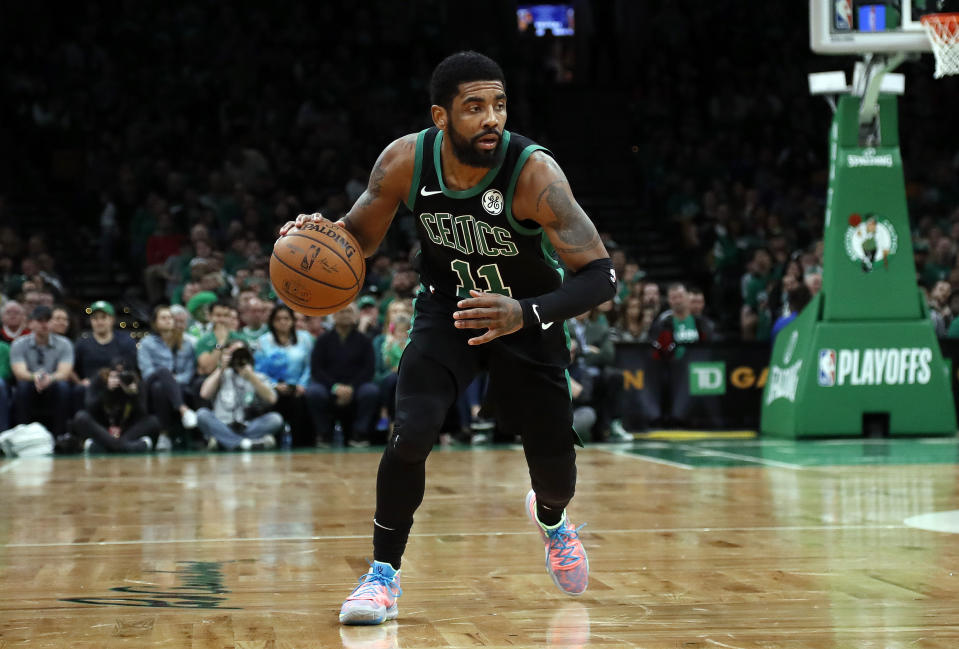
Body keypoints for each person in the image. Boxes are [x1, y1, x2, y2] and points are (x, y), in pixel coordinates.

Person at [279, 51, 615, 625]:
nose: (492, 118)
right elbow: (355, 237)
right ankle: (382, 576)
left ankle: (553, 520)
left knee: (556, 471)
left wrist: (525, 313)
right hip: (449, 314)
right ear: (441, 116)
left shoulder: (535, 174)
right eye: (475, 107)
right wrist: (312, 239)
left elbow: (601, 277)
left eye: (500, 105)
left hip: (527, 320)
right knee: (411, 431)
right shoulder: (406, 161)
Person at [305, 302, 379, 447]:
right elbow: (317, 369)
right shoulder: (323, 340)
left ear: (356, 316)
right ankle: (324, 434)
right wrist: (335, 387)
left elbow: (368, 370)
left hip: (356, 386)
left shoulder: (364, 340)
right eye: (341, 311)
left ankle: (359, 434)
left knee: (371, 391)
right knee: (314, 392)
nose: (345, 315)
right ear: (333, 316)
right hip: (329, 386)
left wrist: (351, 387)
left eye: (349, 311)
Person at [196, 340, 283, 450]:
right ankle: (249, 443)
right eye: (234, 353)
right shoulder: (222, 374)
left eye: (241, 353)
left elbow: (272, 399)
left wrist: (252, 377)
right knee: (201, 414)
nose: (238, 357)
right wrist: (221, 368)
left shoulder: (258, 377)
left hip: (248, 426)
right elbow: (204, 394)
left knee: (275, 419)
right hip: (223, 424)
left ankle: (225, 442)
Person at [137, 305, 198, 449]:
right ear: (155, 322)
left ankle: (165, 435)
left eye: (170, 318)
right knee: (162, 375)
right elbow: (147, 372)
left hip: (177, 385)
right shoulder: (147, 343)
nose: (168, 321)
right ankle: (183, 410)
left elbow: (189, 372)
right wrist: (168, 378)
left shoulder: (186, 343)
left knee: (161, 388)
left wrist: (173, 382)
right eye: (163, 318)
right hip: (151, 383)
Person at [9, 305, 74, 436]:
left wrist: (49, 378)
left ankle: (60, 436)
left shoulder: (65, 343)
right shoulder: (18, 344)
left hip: (53, 384)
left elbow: (64, 372)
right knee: (22, 386)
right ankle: (22, 435)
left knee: (63, 386)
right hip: (30, 383)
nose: (44, 324)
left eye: (48, 320)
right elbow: (20, 373)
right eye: (40, 320)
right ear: (30, 323)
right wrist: (36, 377)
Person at [255, 304, 313, 446]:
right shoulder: (263, 341)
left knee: (300, 403)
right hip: (273, 388)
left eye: (286, 318)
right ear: (272, 322)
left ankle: (301, 445)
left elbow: (309, 366)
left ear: (293, 321)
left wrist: (302, 385)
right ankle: (274, 442)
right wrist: (274, 385)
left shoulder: (305, 339)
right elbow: (259, 369)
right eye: (278, 319)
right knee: (273, 400)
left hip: (298, 388)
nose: (283, 322)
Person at [73, 360, 159, 453]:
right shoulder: (99, 379)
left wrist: (133, 394)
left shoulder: (135, 382)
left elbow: (142, 414)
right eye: (115, 375)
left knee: (153, 421)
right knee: (81, 417)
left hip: (127, 430)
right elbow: (90, 408)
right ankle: (129, 447)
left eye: (122, 375)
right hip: (103, 430)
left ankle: (105, 447)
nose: (119, 379)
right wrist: (107, 390)